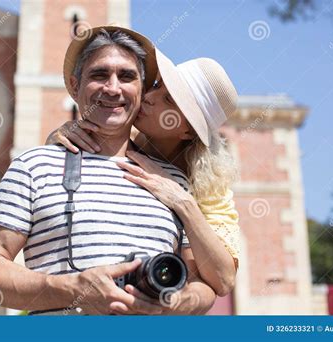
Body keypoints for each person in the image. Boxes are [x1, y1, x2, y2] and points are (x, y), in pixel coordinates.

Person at [0, 26, 217, 315]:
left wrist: (179, 302)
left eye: (127, 76)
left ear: (141, 90)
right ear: (74, 86)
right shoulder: (32, 167)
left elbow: (203, 284)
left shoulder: (173, 183)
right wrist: (75, 289)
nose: (113, 88)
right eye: (99, 75)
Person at [46, 47, 241, 297]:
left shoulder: (211, 188)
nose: (149, 97)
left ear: (188, 131)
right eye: (157, 85)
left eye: (169, 100)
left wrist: (182, 201)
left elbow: (223, 281)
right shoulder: (111, 140)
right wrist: (58, 136)